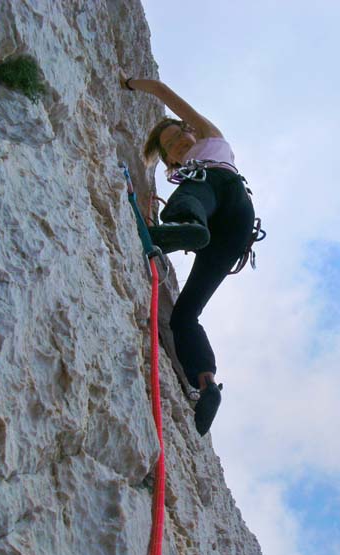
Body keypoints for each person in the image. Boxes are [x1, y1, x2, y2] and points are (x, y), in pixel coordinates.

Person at [120, 72, 255, 436]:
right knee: (184, 316)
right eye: (172, 146)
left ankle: (182, 230)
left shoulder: (210, 140)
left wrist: (131, 83)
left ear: (192, 130)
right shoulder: (185, 173)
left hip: (218, 192)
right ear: (169, 163)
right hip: (232, 232)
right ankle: (206, 384)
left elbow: (164, 93)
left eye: (180, 134)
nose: (180, 143)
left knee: (190, 198)